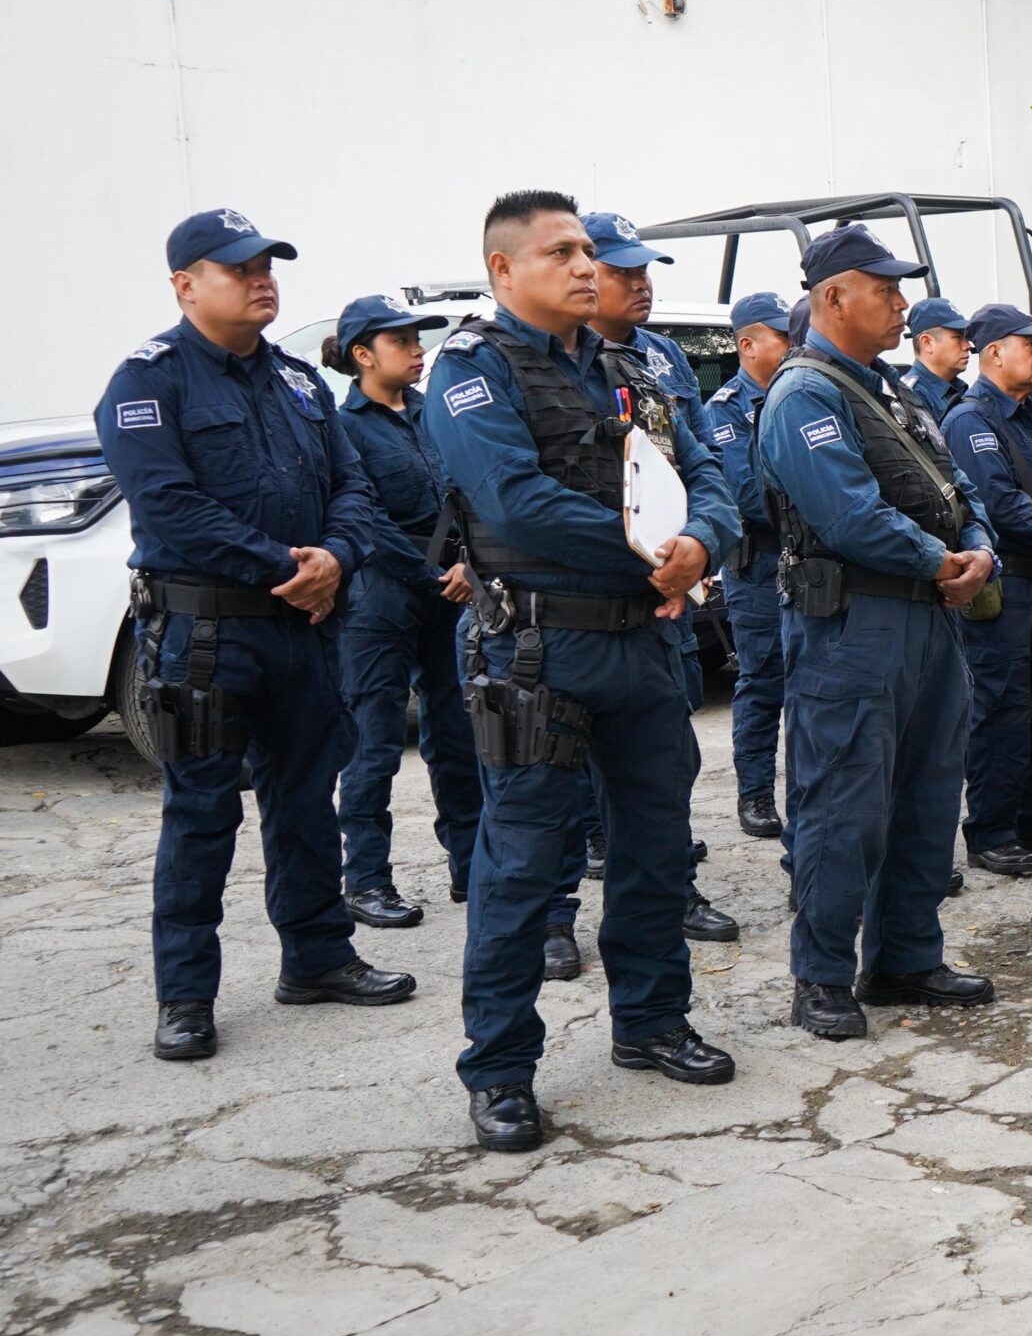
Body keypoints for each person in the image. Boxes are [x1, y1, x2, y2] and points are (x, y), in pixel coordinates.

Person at [422, 192, 741, 1150]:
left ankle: (651, 1021)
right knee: (523, 862)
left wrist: (701, 540)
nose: (583, 266)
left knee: (655, 845)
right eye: (559, 251)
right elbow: (515, 503)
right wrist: (655, 550)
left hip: (642, 644)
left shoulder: (631, 368)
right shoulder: (472, 369)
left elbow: (709, 473)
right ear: (503, 269)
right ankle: (500, 1068)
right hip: (538, 649)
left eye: (586, 252)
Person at [100, 209, 414, 1064]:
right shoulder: (148, 382)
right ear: (185, 285)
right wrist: (286, 564)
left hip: (304, 631)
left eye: (267, 265)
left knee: (307, 798)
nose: (261, 279)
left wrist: (337, 556)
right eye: (239, 268)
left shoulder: (300, 383)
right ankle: (185, 995)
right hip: (206, 633)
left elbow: (353, 486)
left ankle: (317, 957)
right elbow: (169, 507)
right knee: (201, 812)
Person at [758, 223, 1000, 1038]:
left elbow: (957, 486)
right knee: (844, 805)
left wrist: (981, 548)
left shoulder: (892, 390)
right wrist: (943, 560)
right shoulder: (805, 394)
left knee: (928, 795)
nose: (902, 304)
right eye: (886, 289)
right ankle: (822, 975)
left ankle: (905, 956)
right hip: (853, 627)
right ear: (833, 297)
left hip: (928, 618)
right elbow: (849, 515)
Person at [580, 212, 732, 942]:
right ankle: (560, 911)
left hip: (669, 587)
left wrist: (701, 541)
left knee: (670, 752)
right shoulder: (553, 362)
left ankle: (674, 888)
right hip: (590, 589)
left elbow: (700, 458)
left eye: (645, 271)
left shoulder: (663, 355)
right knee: (562, 768)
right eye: (623, 271)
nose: (640, 284)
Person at [322, 294, 478, 930]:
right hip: (381, 595)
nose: (417, 351)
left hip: (451, 588)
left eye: (418, 340)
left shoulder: (432, 412)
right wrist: (431, 573)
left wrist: (471, 565)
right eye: (402, 341)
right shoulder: (343, 426)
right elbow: (362, 513)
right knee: (374, 741)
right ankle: (365, 880)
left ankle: (471, 866)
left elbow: (467, 490)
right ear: (363, 355)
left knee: (457, 733)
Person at [942, 303, 1032, 879]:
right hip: (1008, 581)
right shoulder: (970, 420)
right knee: (1003, 707)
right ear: (995, 353)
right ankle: (992, 829)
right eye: (1031, 345)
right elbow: (1000, 503)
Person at [707, 291, 793, 840]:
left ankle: (806, 790)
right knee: (763, 680)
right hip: (758, 564)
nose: (792, 345)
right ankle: (755, 792)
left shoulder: (799, 394)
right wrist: (820, 505)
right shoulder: (726, 410)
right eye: (782, 336)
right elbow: (748, 493)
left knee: (813, 682)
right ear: (747, 344)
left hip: (808, 560)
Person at [904, 297, 973, 419]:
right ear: (927, 343)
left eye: (966, 337)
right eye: (958, 337)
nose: (968, 346)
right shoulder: (911, 395)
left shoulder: (958, 388)